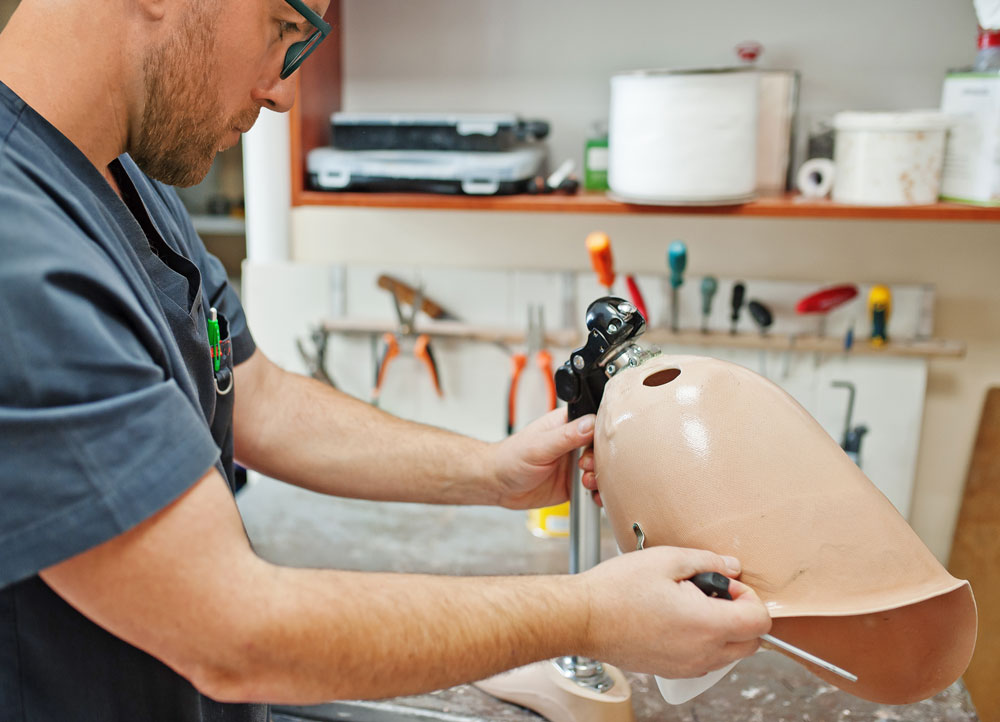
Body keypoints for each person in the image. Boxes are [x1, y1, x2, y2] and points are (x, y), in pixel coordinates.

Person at [0, 1, 772, 720]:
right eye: (283, 27)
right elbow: (234, 629)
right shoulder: (19, 245)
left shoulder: (123, 172)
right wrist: (592, 615)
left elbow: (255, 396)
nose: (283, 94)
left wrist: (491, 472)